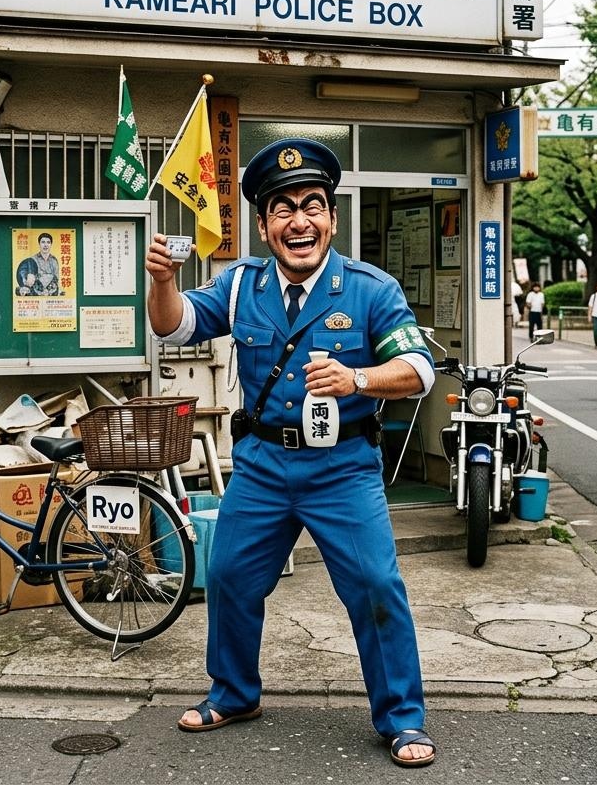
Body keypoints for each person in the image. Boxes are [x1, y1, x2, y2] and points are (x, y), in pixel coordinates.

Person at [145, 137, 437, 769]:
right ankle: (234, 693)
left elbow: (419, 369)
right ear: (263, 224)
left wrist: (358, 379)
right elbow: (173, 327)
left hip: (343, 468)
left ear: (331, 217)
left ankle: (402, 718)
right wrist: (163, 282)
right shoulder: (240, 284)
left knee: (376, 585)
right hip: (262, 464)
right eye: (283, 209)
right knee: (227, 577)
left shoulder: (370, 289)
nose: (299, 221)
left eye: (312, 206)